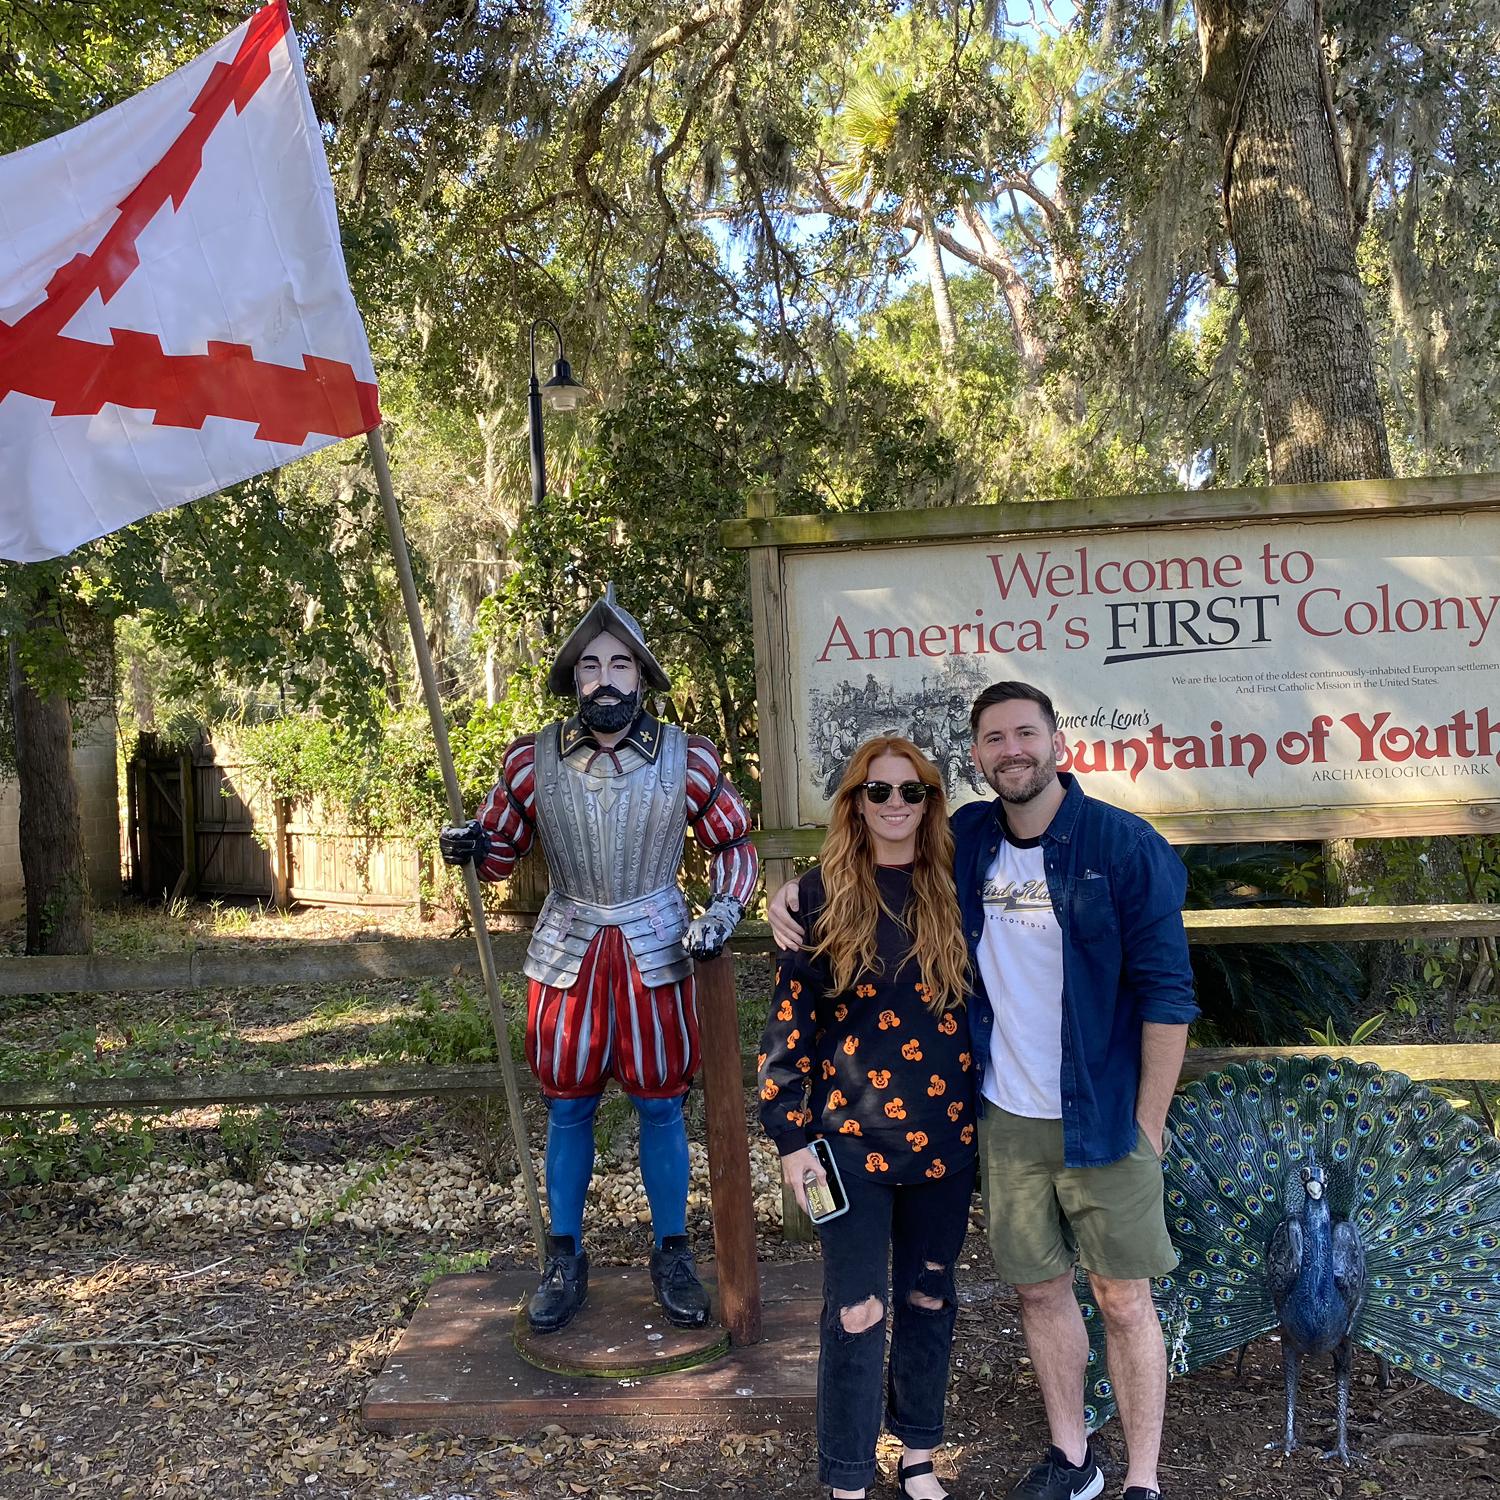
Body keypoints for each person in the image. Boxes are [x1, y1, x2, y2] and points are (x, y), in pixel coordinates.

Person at [771, 682, 1197, 1500]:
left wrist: (1150, 1119)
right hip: (999, 1120)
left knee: (1123, 1295)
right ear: (975, 758)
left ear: (1057, 743)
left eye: (1026, 734)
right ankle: (1074, 1461)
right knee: (1038, 1291)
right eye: (995, 739)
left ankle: (1142, 1481)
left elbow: (1169, 993)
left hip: (1101, 1119)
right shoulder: (966, 843)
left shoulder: (1123, 847)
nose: (1013, 750)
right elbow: (860, 873)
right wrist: (789, 892)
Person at [440, 585, 758, 1334]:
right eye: (590, 666)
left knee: (659, 1105)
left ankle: (673, 1253)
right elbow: (499, 855)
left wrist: (721, 910)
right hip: (568, 948)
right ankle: (564, 1256)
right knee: (568, 1107)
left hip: (656, 943)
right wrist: (469, 846)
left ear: (642, 676)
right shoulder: (530, 761)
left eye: (620, 664)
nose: (605, 679)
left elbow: (734, 843)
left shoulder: (690, 757)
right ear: (572, 679)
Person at [759, 736, 976, 1500]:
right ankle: (847, 1473)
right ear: (854, 803)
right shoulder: (817, 896)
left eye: (910, 792)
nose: (894, 805)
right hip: (843, 1143)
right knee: (856, 1307)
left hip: (947, 1143)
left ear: (930, 801)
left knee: (927, 1296)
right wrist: (789, 1139)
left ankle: (918, 1453)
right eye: (876, 792)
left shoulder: (959, 884)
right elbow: (788, 1026)